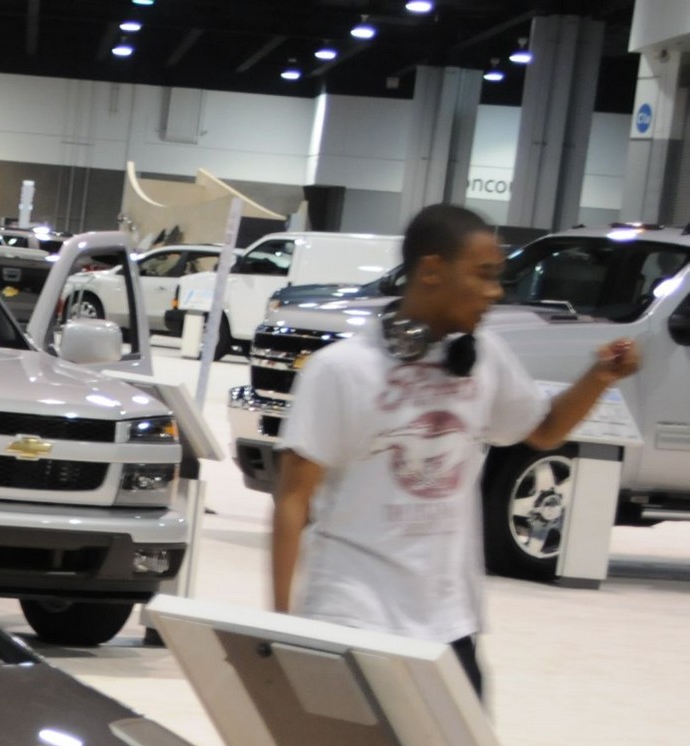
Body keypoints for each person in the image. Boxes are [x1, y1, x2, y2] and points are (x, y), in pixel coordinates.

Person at [273, 202, 638, 698]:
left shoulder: (483, 357)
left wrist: (599, 378)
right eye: (483, 274)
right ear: (431, 271)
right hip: (353, 614)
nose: (495, 292)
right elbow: (293, 499)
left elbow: (544, 429)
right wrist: (281, 628)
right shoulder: (341, 370)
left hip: (448, 623)